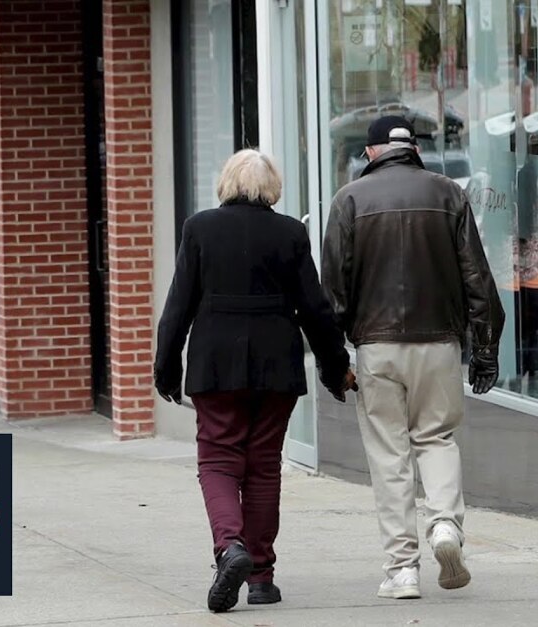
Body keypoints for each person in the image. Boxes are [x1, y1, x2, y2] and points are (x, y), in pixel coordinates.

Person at [153, 149, 355, 613]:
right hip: (275, 365)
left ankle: (230, 547)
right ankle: (261, 577)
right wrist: (334, 366)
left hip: (216, 364)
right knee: (263, 467)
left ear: (226, 183)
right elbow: (315, 308)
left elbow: (178, 304)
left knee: (219, 460)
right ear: (271, 188)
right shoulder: (290, 233)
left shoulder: (199, 228)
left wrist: (166, 366)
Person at [321, 116, 505, 599]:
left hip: (376, 347)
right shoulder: (448, 194)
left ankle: (402, 569)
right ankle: (444, 525)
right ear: (414, 149)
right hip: (439, 344)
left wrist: (331, 361)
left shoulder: (349, 200)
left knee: (390, 455)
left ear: (370, 152)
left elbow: (333, 291)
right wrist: (486, 348)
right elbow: (477, 279)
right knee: (436, 437)